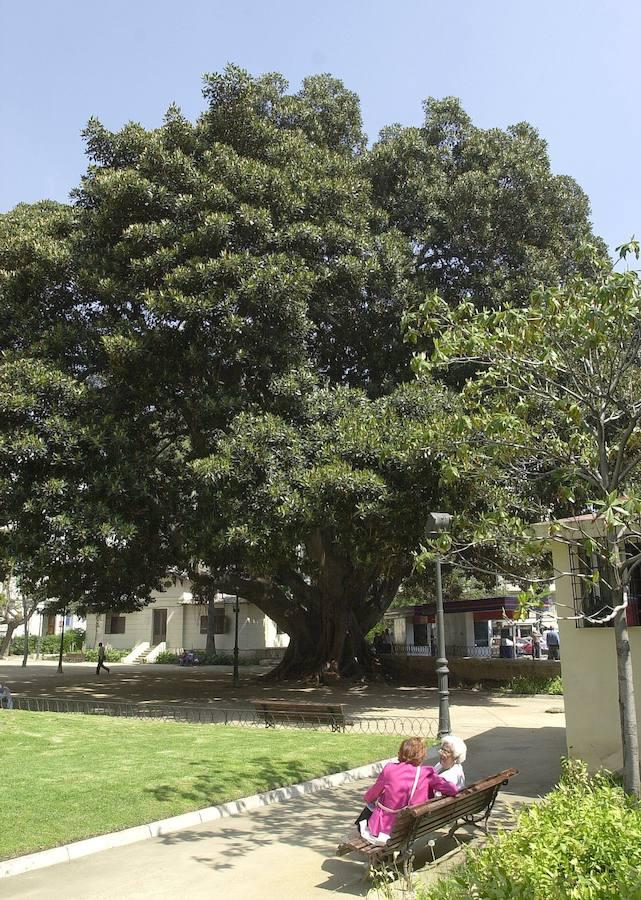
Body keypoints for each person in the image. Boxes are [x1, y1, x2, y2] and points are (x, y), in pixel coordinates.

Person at [350, 737, 458, 847]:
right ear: (422, 755)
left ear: (401, 752)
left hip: (383, 828)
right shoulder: (426, 773)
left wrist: (369, 798)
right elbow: (452, 790)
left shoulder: (389, 769)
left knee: (370, 806)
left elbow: (371, 795)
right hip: (411, 826)